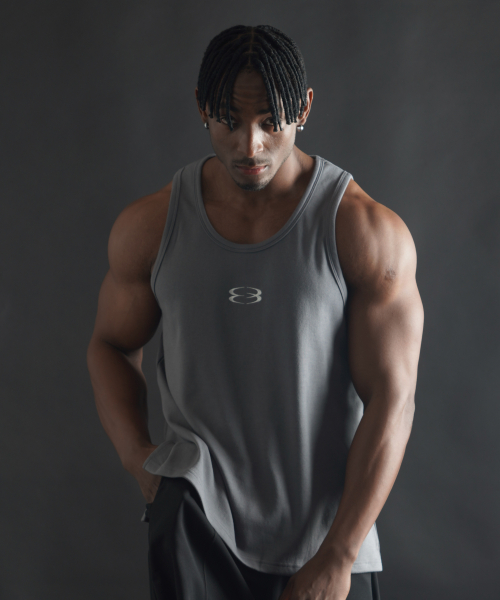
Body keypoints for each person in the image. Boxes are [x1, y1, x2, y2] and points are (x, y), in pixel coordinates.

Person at [87, 24, 424, 600]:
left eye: (272, 121)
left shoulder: (364, 232)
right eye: (230, 120)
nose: (250, 145)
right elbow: (110, 345)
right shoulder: (151, 226)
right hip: (195, 523)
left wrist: (341, 554)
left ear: (304, 108)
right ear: (201, 107)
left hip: (325, 536)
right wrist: (140, 462)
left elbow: (394, 398)